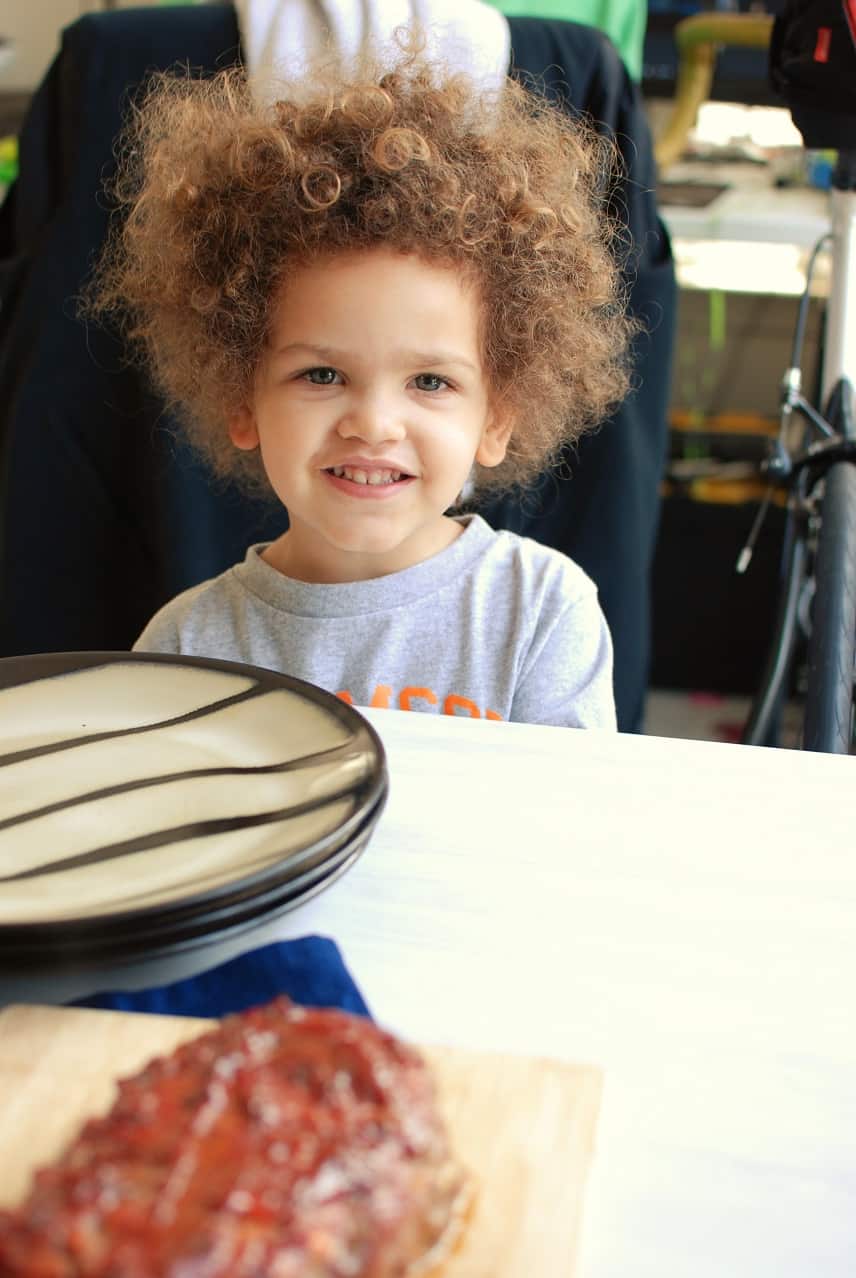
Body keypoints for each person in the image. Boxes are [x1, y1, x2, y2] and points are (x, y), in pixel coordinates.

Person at [87, 57, 635, 728]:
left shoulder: (540, 612)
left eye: (430, 382)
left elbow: (563, 827)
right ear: (240, 396)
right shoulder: (188, 644)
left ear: (497, 419)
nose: (374, 423)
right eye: (322, 375)